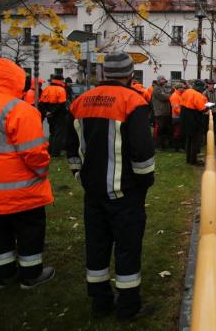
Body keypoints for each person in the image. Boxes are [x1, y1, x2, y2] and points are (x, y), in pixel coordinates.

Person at [65, 52, 156, 320]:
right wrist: (144, 183)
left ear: (104, 74)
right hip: (125, 192)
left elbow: (71, 148)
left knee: (96, 245)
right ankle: (129, 306)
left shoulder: (80, 101)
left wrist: (79, 176)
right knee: (127, 247)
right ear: (130, 75)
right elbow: (142, 151)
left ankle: (100, 302)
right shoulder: (133, 101)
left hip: (93, 192)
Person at [0, 58, 55, 290]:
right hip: (21, 190)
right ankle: (31, 275)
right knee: (30, 230)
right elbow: (34, 152)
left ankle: (2, 276)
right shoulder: (20, 110)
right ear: (19, 82)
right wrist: (42, 172)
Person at [39, 74, 68, 156]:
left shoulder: (46, 89)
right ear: (59, 80)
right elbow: (61, 104)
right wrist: (52, 112)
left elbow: (41, 103)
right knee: (59, 134)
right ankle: (56, 153)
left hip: (49, 115)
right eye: (62, 80)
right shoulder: (61, 89)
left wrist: (46, 112)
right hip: (59, 115)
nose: (63, 81)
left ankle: (50, 150)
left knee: (52, 133)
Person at [181, 80, 208, 166]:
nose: (203, 89)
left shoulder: (187, 91)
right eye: (202, 88)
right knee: (195, 140)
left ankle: (188, 159)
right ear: (199, 87)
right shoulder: (197, 95)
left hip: (185, 116)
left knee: (189, 139)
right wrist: (207, 109)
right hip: (193, 118)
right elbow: (202, 108)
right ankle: (193, 160)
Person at [150, 75, 173, 149]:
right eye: (163, 80)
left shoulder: (162, 88)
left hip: (165, 112)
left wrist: (169, 93)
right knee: (159, 129)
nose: (165, 81)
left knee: (165, 129)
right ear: (159, 80)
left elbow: (167, 94)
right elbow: (164, 97)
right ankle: (156, 145)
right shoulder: (156, 89)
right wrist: (171, 95)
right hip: (159, 112)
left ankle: (163, 144)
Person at [203, 80, 216, 144]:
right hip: (208, 112)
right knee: (206, 127)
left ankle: (214, 140)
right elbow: (203, 102)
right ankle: (206, 140)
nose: (212, 86)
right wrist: (208, 108)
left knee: (215, 126)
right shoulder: (205, 92)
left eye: (213, 84)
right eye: (210, 84)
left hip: (215, 112)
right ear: (208, 85)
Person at [169, 82, 186, 152]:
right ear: (179, 88)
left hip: (179, 117)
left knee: (180, 132)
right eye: (182, 88)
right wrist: (184, 114)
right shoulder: (175, 96)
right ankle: (177, 148)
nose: (184, 89)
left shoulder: (179, 95)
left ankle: (179, 147)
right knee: (177, 133)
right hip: (177, 117)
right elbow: (176, 108)